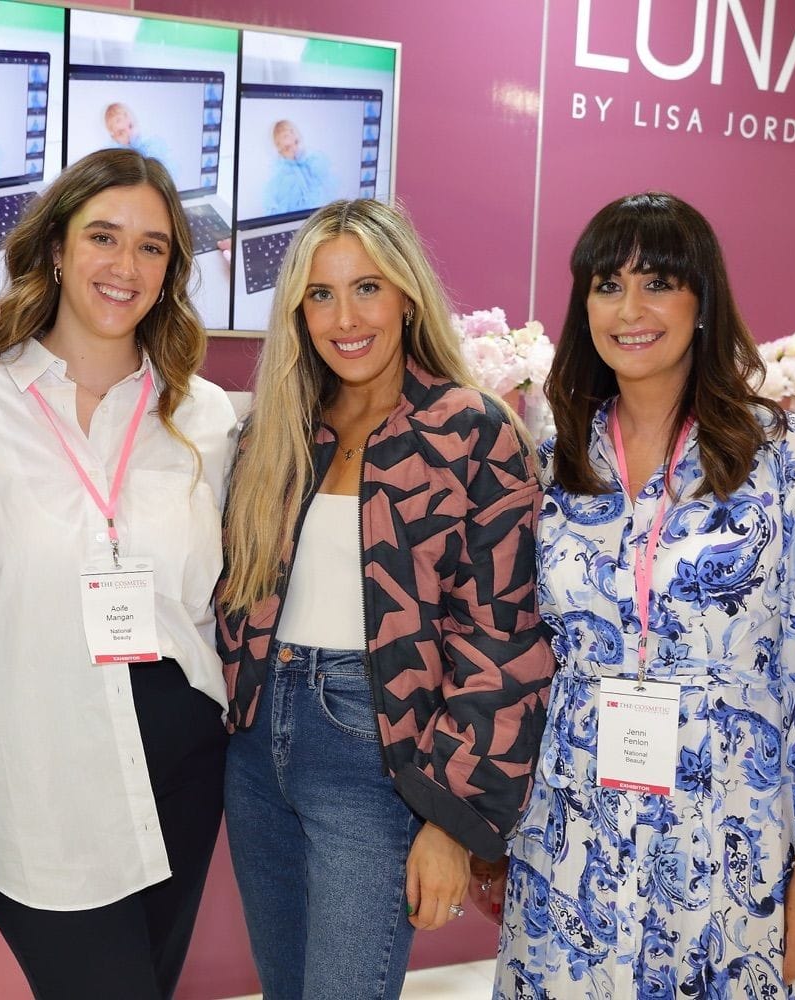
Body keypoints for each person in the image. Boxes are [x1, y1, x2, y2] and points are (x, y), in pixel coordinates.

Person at [495, 192, 795, 999]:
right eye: (607, 286)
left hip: (732, 842)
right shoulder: (552, 464)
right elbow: (518, 657)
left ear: (703, 301)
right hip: (571, 841)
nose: (629, 310)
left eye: (656, 283)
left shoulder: (790, 464)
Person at [217, 198, 555, 1000]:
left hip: (379, 754)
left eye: (367, 288)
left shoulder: (470, 430)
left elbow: (505, 640)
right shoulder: (280, 431)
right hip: (257, 748)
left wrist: (450, 819)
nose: (345, 318)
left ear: (407, 295)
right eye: (321, 295)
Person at [0, 147, 235, 999]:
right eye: (103, 237)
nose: (126, 265)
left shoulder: (206, 415)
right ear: (57, 251)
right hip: (35, 769)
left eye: (152, 247)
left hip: (182, 760)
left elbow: (211, 599)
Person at [261, 120, 337, 216]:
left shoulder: (310, 162)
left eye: (296, 143)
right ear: (279, 150)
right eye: (287, 148)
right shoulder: (279, 177)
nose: (294, 150)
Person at [103, 102, 174, 174]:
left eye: (130, 126)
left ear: (136, 122)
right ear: (114, 137)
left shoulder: (151, 149)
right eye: (121, 133)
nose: (129, 134)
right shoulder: (118, 158)